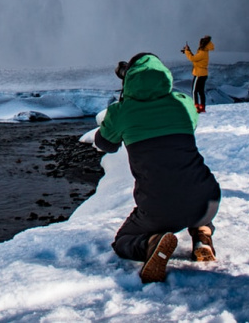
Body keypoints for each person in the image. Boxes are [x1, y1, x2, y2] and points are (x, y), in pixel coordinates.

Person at [94, 53, 221, 284]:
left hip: (158, 207)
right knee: (190, 188)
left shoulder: (121, 112)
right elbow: (190, 125)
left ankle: (152, 243)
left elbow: (105, 144)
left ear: (128, 79)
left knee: (123, 240)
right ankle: (203, 237)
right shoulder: (183, 103)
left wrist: (117, 117)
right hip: (207, 198)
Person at [183, 35, 215, 113]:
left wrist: (187, 51)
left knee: (194, 91)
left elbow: (193, 58)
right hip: (203, 73)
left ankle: (196, 107)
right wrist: (189, 51)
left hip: (199, 74)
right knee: (201, 91)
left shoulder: (202, 52)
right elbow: (196, 58)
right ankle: (202, 107)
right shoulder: (204, 52)